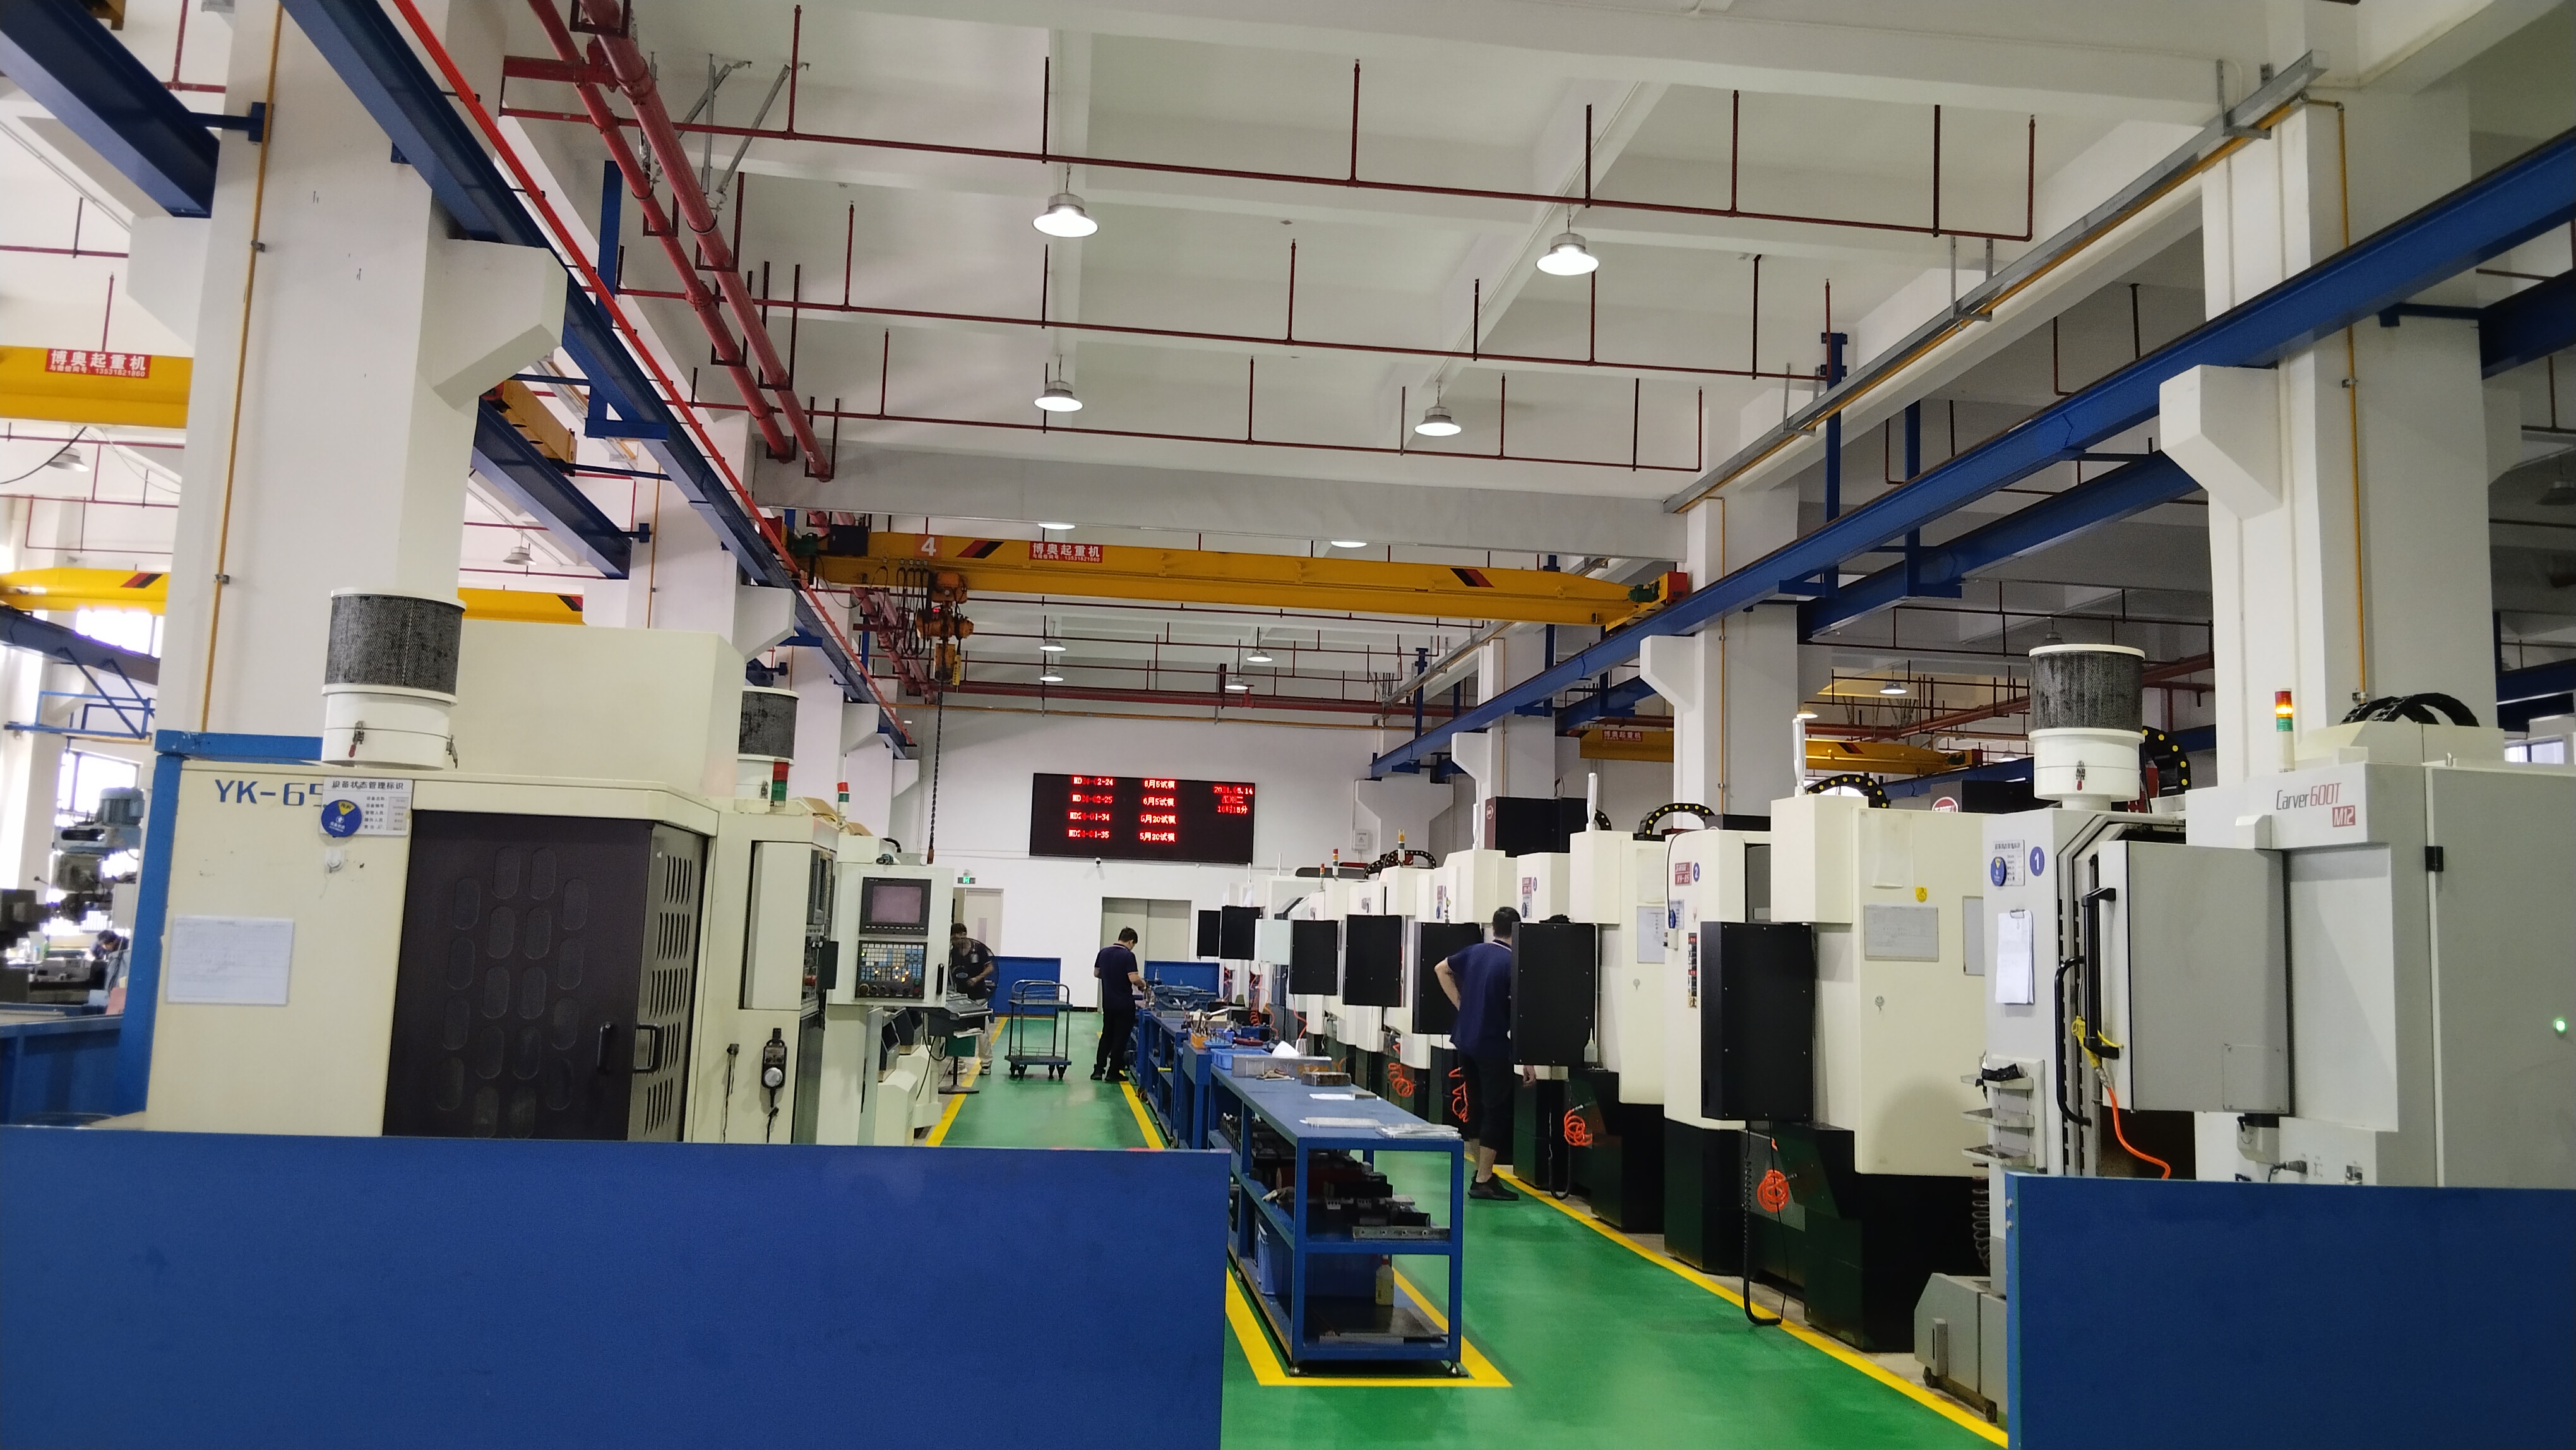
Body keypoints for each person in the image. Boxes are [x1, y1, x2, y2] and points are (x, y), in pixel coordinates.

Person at [1435, 906, 1534, 1201]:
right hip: (1491, 1045)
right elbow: (1518, 1013)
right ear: (1517, 930)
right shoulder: (1512, 962)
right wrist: (1527, 1058)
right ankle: (1483, 1179)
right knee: (1496, 1109)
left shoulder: (1474, 951)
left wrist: (1461, 1004)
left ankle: (1481, 1171)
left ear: (1493, 927)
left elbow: (1441, 969)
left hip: (1465, 1041)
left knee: (1475, 1105)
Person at [1092, 927, 1147, 1082]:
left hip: (1108, 1003)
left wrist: (1111, 977)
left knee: (1107, 1036)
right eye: (1133, 945)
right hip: (1124, 1005)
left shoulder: (1103, 952)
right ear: (1131, 942)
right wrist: (1143, 984)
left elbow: (1097, 973)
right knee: (1120, 1038)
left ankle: (1098, 1070)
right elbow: (1133, 978)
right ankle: (1113, 1072)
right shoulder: (1128, 955)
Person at [949, 921, 998, 1065]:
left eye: (957, 938)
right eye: (953, 939)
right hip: (960, 997)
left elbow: (990, 968)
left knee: (983, 1031)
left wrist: (977, 979)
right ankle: (959, 1063)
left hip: (979, 996)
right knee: (959, 1031)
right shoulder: (953, 952)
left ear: (964, 935)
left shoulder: (979, 949)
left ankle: (986, 1062)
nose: (955, 942)